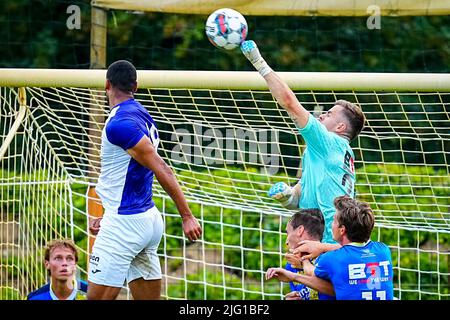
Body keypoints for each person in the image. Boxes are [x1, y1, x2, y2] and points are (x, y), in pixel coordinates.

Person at [88, 60, 202, 300]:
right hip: (146, 219)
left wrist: (186, 215)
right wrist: (109, 214)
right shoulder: (141, 113)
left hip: (125, 223)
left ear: (106, 84)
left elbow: (161, 167)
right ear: (136, 87)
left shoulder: (119, 124)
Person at [240, 40, 365, 244]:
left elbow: (289, 102)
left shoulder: (328, 141)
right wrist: (288, 195)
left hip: (327, 241)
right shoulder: (335, 153)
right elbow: (303, 197)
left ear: (341, 128)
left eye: (329, 114)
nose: (322, 116)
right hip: (330, 239)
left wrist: (258, 61)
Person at [266, 196, 394, 300]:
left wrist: (303, 259)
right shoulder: (383, 250)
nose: (330, 225)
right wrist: (321, 247)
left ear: (342, 230)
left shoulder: (332, 259)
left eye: (333, 221)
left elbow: (311, 272)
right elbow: (354, 251)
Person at [282, 209, 334, 300]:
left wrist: (303, 262)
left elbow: (336, 290)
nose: (286, 242)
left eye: (288, 233)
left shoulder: (330, 258)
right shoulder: (291, 265)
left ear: (300, 230)